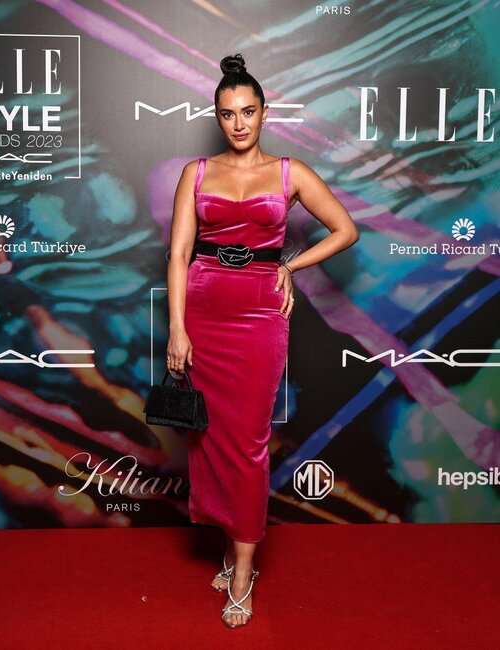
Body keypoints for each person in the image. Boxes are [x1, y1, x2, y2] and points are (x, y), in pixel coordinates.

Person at [166, 53, 359, 628]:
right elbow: (179, 253)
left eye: (248, 111)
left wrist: (291, 266)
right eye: (228, 114)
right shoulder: (197, 172)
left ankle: (243, 571)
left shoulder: (290, 172)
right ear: (218, 117)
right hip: (203, 307)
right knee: (209, 438)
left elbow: (346, 229)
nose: (239, 123)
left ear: (265, 113)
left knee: (249, 443)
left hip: (258, 313)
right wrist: (176, 327)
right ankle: (229, 546)